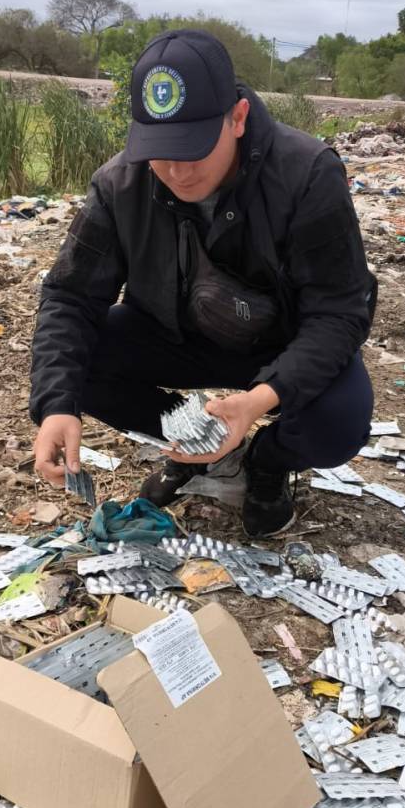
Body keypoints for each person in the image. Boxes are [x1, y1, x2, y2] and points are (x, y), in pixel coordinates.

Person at [31, 28, 375, 537]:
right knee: (78, 363)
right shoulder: (120, 184)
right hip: (176, 332)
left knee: (341, 420)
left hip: (278, 344)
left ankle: (267, 461)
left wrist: (259, 401)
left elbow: (341, 312)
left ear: (237, 119)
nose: (175, 171)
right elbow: (70, 296)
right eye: (159, 149)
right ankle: (195, 445)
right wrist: (56, 405)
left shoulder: (307, 174)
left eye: (192, 149)